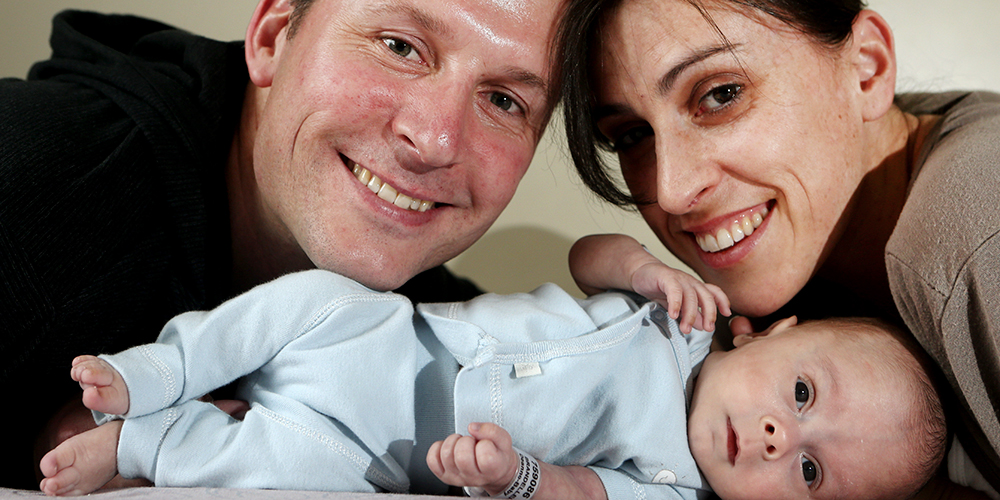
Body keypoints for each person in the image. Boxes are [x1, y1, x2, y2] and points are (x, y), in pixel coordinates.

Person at [0, 0, 564, 488]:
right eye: (400, 46)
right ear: (272, 37)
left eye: (504, 101)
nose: (437, 141)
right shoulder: (41, 185)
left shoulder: (435, 337)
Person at [557, 0, 1000, 496]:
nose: (672, 190)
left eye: (721, 95)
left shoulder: (981, 245)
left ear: (867, 68)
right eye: (633, 136)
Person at [38, 267, 942, 499]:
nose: (785, 440)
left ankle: (149, 443)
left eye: (812, 477)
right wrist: (642, 262)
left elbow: (581, 491)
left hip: (378, 453)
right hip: (389, 339)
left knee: (273, 469)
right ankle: (162, 368)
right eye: (803, 396)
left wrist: (518, 479)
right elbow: (588, 256)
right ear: (774, 333)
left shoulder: (675, 483)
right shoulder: (684, 316)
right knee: (300, 300)